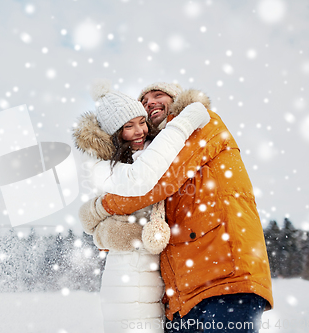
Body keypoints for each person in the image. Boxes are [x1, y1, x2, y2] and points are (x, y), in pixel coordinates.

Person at [80, 82, 274, 333]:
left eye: (157, 95)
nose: (150, 102)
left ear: (176, 97)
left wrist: (100, 209)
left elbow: (157, 183)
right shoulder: (155, 150)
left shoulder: (202, 123)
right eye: (144, 101)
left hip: (226, 278)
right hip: (183, 296)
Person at [74, 79, 210, 333]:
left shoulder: (148, 151)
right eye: (128, 126)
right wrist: (183, 124)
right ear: (116, 134)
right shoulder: (101, 168)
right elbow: (141, 180)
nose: (139, 131)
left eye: (141, 122)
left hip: (157, 271)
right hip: (126, 268)